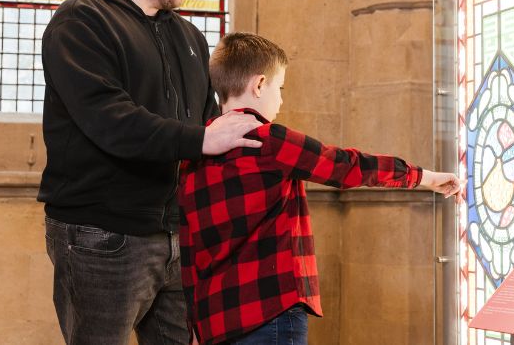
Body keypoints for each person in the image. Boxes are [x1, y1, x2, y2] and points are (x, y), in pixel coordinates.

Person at [37, 0, 262, 345]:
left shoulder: (191, 38)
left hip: (176, 237)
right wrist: (203, 139)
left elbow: (207, 125)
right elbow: (112, 122)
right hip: (101, 236)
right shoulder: (83, 21)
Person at [178, 32, 462, 345]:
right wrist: (423, 177)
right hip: (270, 314)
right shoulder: (269, 140)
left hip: (216, 323)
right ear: (259, 85)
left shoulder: (195, 153)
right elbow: (347, 167)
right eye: (280, 88)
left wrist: (195, 327)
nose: (281, 100)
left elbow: (190, 251)